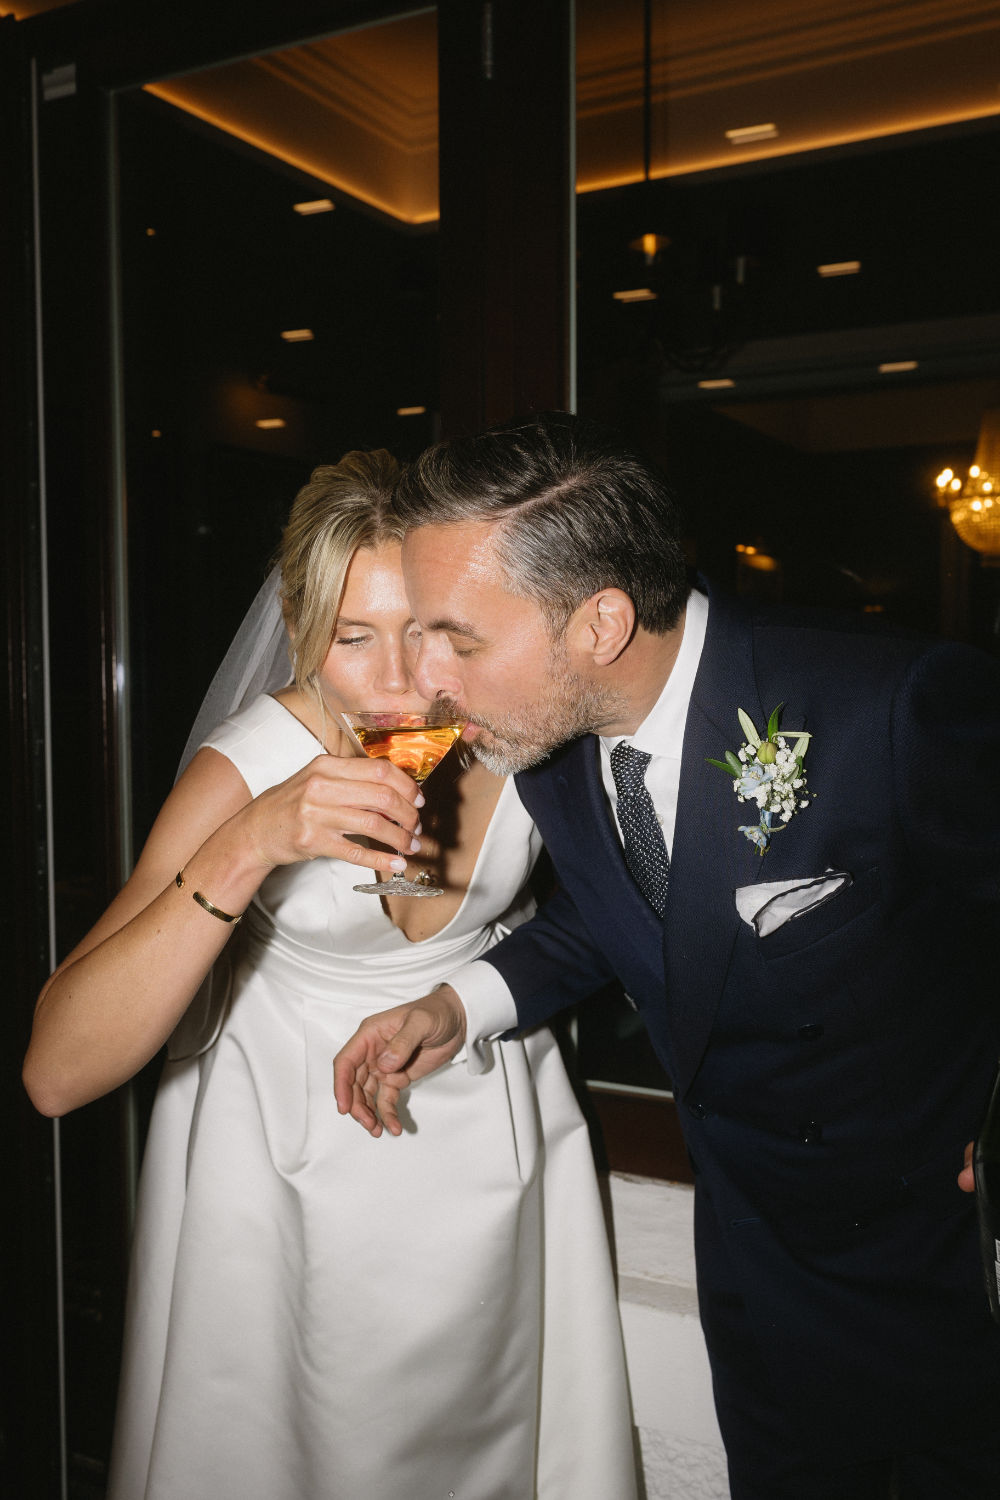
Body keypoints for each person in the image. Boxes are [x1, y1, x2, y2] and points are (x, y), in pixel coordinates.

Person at [333, 413, 1000, 1500]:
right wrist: (465, 1006)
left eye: (455, 636)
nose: (426, 681)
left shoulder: (893, 704)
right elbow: (637, 908)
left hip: (942, 1282)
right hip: (753, 1274)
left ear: (598, 621)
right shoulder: (548, 734)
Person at [23, 449, 638, 1500]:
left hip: (489, 1151)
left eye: (435, 634)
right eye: (355, 639)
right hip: (283, 1176)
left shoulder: (520, 725)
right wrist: (251, 841)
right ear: (306, 636)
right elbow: (57, 1073)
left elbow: (609, 910)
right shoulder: (245, 765)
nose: (404, 682)